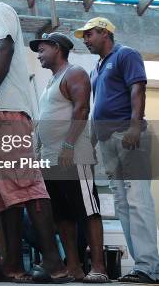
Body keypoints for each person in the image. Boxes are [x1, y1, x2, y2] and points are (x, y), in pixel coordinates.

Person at [0, 0, 70, 283]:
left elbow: (6, 47)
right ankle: (12, 265)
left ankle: (53, 263)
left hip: (4, 111)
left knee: (25, 187)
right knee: (0, 195)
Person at [76, 17, 159, 283]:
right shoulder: (97, 68)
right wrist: (89, 141)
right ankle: (142, 268)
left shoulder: (126, 55)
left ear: (104, 33)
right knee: (123, 205)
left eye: (89, 35)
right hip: (107, 141)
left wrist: (135, 126)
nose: (85, 40)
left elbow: (138, 88)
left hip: (128, 135)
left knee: (137, 201)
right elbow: (97, 106)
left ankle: (149, 267)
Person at [31, 32, 108, 283]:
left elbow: (82, 109)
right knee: (62, 216)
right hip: (51, 160)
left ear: (56, 47)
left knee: (88, 211)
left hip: (73, 156)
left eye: (42, 50)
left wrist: (68, 145)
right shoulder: (51, 82)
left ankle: (98, 268)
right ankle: (73, 267)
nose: (39, 55)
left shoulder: (74, 73)